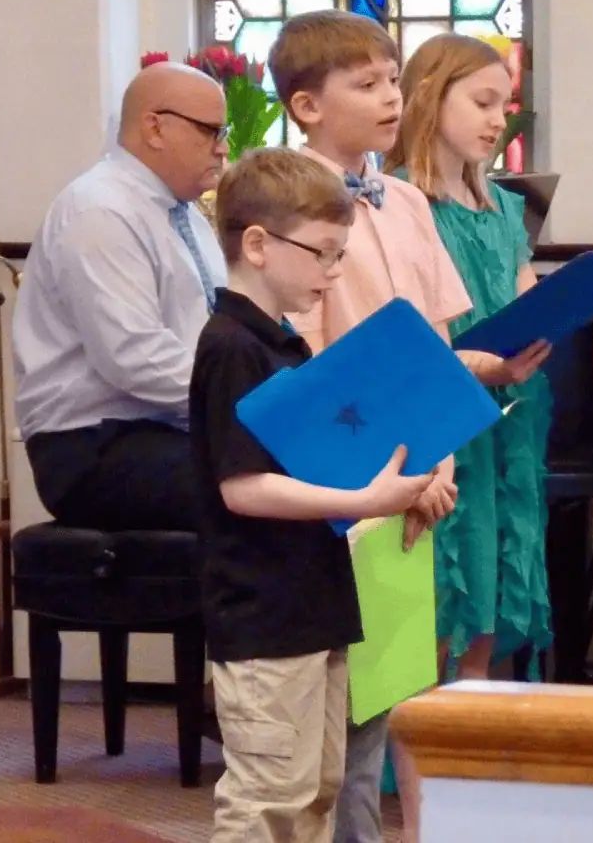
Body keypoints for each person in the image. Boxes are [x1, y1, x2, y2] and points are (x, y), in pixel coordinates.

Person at [267, 10, 545, 843]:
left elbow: (435, 342)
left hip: (415, 464)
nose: (391, 96)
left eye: (393, 79)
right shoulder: (278, 199)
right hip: (336, 465)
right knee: (328, 704)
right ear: (308, 106)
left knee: (388, 689)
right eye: (368, 84)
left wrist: (441, 452)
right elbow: (296, 344)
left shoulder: (403, 203)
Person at [191, 146, 439, 843]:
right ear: (259, 245)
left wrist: (397, 483)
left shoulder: (286, 344)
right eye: (326, 254)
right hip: (263, 610)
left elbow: (316, 461)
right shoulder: (232, 346)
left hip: (314, 601)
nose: (335, 273)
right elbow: (243, 488)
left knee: (316, 789)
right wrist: (366, 501)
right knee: (269, 794)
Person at [385, 33, 552, 680]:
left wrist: (544, 321)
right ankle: (414, 770)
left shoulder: (505, 207)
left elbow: (520, 293)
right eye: (482, 101)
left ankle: (468, 761)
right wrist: (484, 363)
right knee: (437, 606)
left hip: (503, 420)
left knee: (487, 597)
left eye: (504, 105)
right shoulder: (400, 201)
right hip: (439, 416)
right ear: (429, 97)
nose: (496, 120)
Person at [12, 62, 228, 531]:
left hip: (166, 428)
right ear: (155, 127)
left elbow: (212, 330)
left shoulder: (183, 214)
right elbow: (133, 356)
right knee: (254, 493)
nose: (223, 148)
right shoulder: (100, 209)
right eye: (211, 132)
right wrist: (239, 398)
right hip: (95, 444)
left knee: (289, 479)